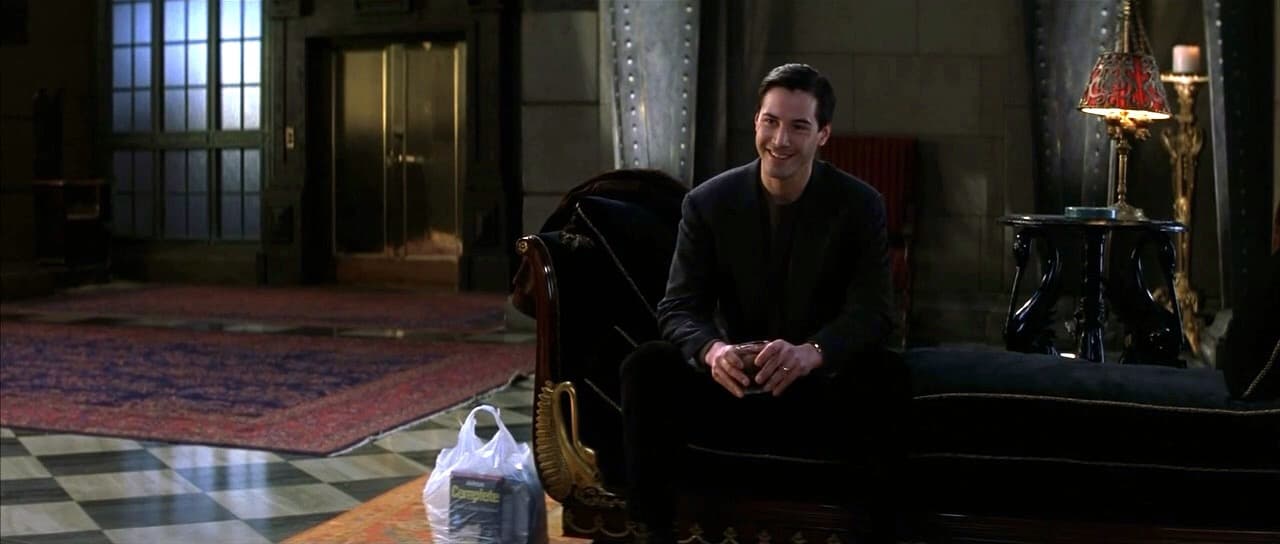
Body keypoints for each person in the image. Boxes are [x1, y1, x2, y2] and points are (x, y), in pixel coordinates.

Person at [619, 63, 910, 543]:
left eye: (799, 126)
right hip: (735, 381)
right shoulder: (708, 203)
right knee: (646, 366)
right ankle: (654, 531)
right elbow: (678, 307)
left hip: (818, 381)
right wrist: (713, 352)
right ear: (756, 121)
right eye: (770, 122)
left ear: (823, 135)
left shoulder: (860, 205)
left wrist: (812, 353)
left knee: (886, 375)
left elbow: (874, 313)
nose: (780, 140)